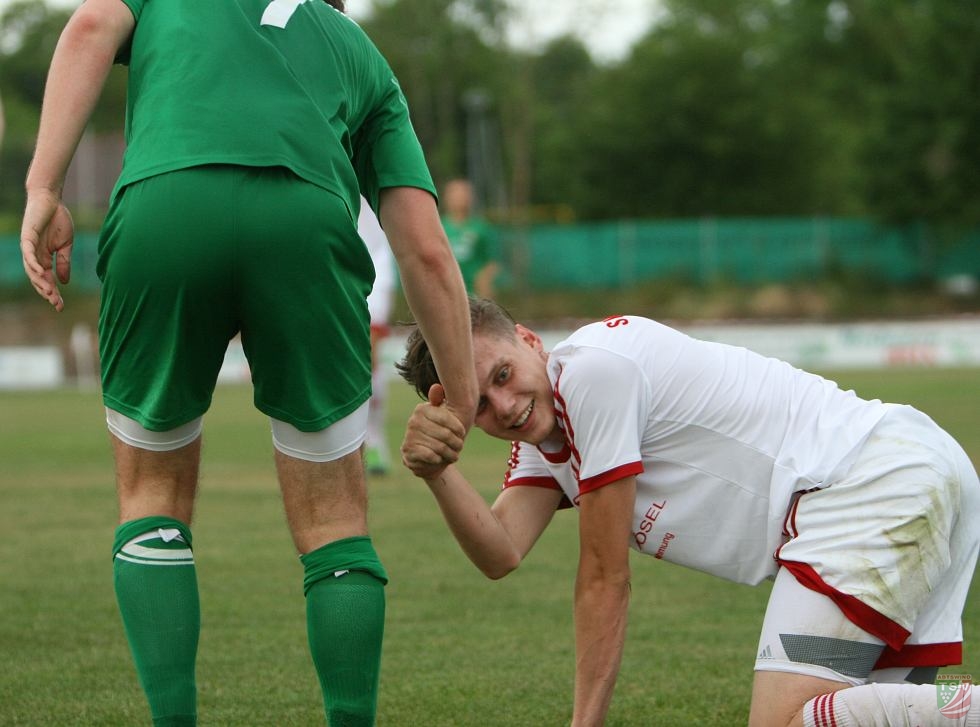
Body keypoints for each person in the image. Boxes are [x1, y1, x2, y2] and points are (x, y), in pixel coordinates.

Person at [19, 1, 478, 725]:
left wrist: (43, 188)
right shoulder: (359, 52)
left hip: (166, 207)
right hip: (305, 221)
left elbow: (85, 27)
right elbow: (426, 250)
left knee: (152, 495)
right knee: (334, 517)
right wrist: (461, 394)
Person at [397, 296, 980, 727]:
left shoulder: (592, 373)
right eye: (480, 404)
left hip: (866, 483)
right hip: (909, 468)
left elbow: (604, 578)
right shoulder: (548, 433)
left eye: (503, 375)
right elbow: (501, 550)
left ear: (528, 340)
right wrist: (437, 471)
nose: (506, 405)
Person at [358, 197, 396, 475]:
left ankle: (374, 441)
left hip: (376, 260)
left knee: (368, 352)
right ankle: (349, 441)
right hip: (330, 253)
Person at [440, 178, 499, 298]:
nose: (460, 197)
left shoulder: (481, 227)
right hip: (447, 294)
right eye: (455, 193)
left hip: (474, 295)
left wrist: (485, 281)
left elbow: (492, 261)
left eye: (464, 193)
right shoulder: (438, 227)